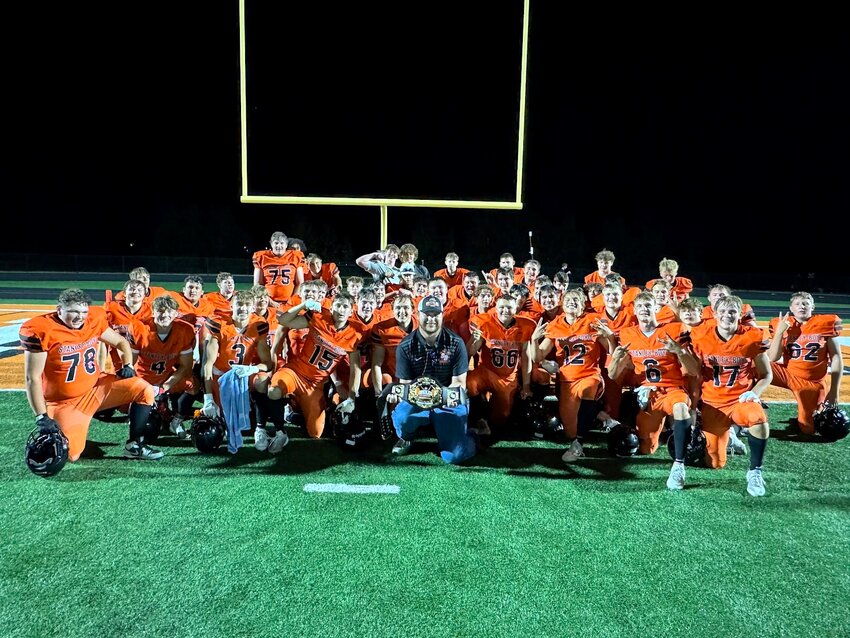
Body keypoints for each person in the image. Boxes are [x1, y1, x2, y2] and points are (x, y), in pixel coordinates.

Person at [19, 288, 160, 461]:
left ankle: (135, 446)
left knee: (144, 389)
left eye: (84, 312)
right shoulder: (42, 330)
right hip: (65, 402)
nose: (80, 317)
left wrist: (128, 364)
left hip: (96, 388)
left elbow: (121, 342)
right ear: (59, 309)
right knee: (70, 454)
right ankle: (71, 431)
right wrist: (41, 416)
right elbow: (31, 378)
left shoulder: (95, 319)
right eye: (74, 312)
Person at [608, 292, 700, 489]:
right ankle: (671, 435)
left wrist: (680, 351)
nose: (644, 310)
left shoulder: (674, 330)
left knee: (681, 408)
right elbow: (613, 375)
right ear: (634, 310)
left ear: (655, 308)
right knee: (646, 449)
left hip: (672, 389)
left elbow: (694, 370)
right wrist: (616, 358)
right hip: (648, 394)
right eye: (640, 306)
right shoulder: (628, 334)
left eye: (648, 305)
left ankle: (679, 465)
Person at [689, 295, 772, 496]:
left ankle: (755, 471)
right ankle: (729, 438)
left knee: (759, 419)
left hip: (739, 400)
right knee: (715, 463)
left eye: (732, 312)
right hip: (712, 404)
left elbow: (766, 374)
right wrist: (693, 406)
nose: (728, 315)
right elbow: (694, 374)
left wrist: (754, 393)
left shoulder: (752, 337)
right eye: (723, 312)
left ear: (740, 314)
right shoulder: (700, 335)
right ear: (715, 314)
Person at [387, 295, 477, 463]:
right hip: (418, 397)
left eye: (436, 314)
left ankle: (471, 436)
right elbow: (405, 384)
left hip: (447, 399)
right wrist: (408, 395)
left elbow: (459, 383)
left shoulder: (456, 343)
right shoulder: (405, 345)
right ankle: (407, 436)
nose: (431, 319)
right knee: (402, 417)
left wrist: (441, 397)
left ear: (442, 315)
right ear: (418, 314)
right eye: (427, 314)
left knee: (454, 457)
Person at [267, 293, 365, 439]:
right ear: (331, 308)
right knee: (273, 392)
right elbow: (284, 320)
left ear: (351, 311)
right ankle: (280, 431)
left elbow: (355, 369)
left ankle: (296, 402)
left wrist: (351, 397)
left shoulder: (355, 333)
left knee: (316, 433)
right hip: (295, 372)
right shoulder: (319, 317)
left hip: (315, 384)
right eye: (338, 305)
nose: (341, 309)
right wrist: (303, 305)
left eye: (345, 307)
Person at [533, 289, 615, 462]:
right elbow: (537, 357)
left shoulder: (592, 321)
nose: (572, 302)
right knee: (570, 430)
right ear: (563, 303)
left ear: (583, 304)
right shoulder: (556, 324)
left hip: (589, 375)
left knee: (587, 390)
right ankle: (601, 418)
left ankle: (579, 444)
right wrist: (534, 340)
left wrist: (610, 337)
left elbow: (611, 351)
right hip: (566, 380)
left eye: (576, 300)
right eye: (569, 299)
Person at [202, 291, 276, 451]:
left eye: (247, 305)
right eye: (239, 305)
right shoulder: (219, 323)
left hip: (244, 374)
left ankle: (260, 428)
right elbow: (208, 363)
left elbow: (268, 364)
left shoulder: (258, 325)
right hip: (221, 376)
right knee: (221, 420)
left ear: (252, 308)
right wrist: (208, 398)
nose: (243, 309)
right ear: (231, 306)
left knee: (263, 381)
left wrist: (252, 368)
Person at [766, 292, 843, 434]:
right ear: (791, 308)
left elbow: (837, 357)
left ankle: (811, 413)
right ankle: (748, 404)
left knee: (809, 429)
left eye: (805, 303)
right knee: (749, 364)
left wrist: (834, 392)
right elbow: (772, 358)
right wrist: (779, 333)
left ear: (812, 306)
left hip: (812, 383)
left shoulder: (825, 324)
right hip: (788, 375)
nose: (801, 306)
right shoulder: (783, 324)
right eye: (797, 303)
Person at [127, 295, 197, 439]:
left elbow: (186, 367)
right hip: (142, 377)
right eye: (160, 311)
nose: (164, 315)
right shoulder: (139, 327)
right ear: (152, 312)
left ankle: (176, 421)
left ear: (176, 314)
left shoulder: (184, 330)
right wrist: (140, 387)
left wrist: (164, 387)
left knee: (192, 384)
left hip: (166, 375)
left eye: (169, 311)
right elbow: (130, 364)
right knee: (128, 409)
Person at [467, 296, 535, 435]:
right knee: (469, 383)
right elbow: (470, 351)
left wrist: (526, 385)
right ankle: (479, 417)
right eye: (502, 307)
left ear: (515, 308)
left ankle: (488, 419)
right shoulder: (485, 323)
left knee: (501, 417)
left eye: (509, 307)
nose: (505, 310)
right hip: (487, 371)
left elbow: (526, 356)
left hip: (507, 376)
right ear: (496, 309)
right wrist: (473, 339)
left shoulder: (524, 326)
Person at [370, 295, 417, 394]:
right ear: (392, 310)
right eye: (398, 308)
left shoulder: (423, 326)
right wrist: (379, 394)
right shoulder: (382, 330)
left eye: (406, 307)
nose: (402, 311)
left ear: (413, 310)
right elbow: (377, 364)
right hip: (393, 374)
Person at [252, 231, 305, 304]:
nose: (279, 246)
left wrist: (292, 300)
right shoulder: (262, 257)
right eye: (276, 243)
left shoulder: (295, 257)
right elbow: (258, 284)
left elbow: (300, 283)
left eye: (282, 243)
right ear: (271, 244)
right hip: (267, 302)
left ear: (286, 245)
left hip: (290, 302)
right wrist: (268, 300)